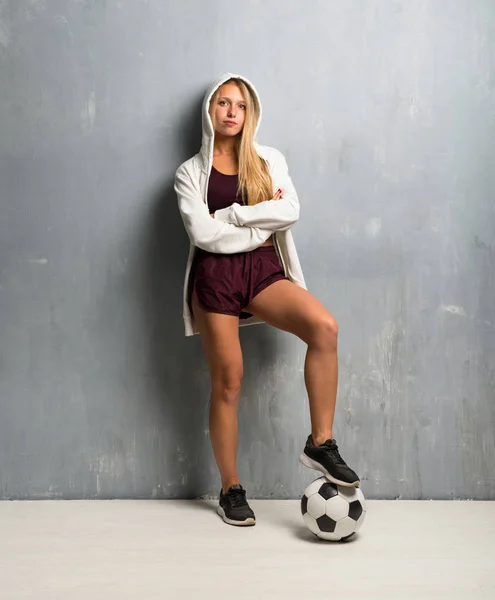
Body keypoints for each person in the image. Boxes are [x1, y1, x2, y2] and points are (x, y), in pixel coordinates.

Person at [174, 73, 360, 527]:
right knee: (229, 382)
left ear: (250, 111)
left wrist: (235, 216)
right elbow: (203, 234)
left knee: (324, 327)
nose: (232, 111)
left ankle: (320, 442)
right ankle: (230, 488)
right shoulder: (188, 173)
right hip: (214, 278)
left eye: (239, 104)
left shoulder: (269, 159)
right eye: (223, 102)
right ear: (210, 111)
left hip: (262, 271)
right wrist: (260, 223)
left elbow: (290, 211)